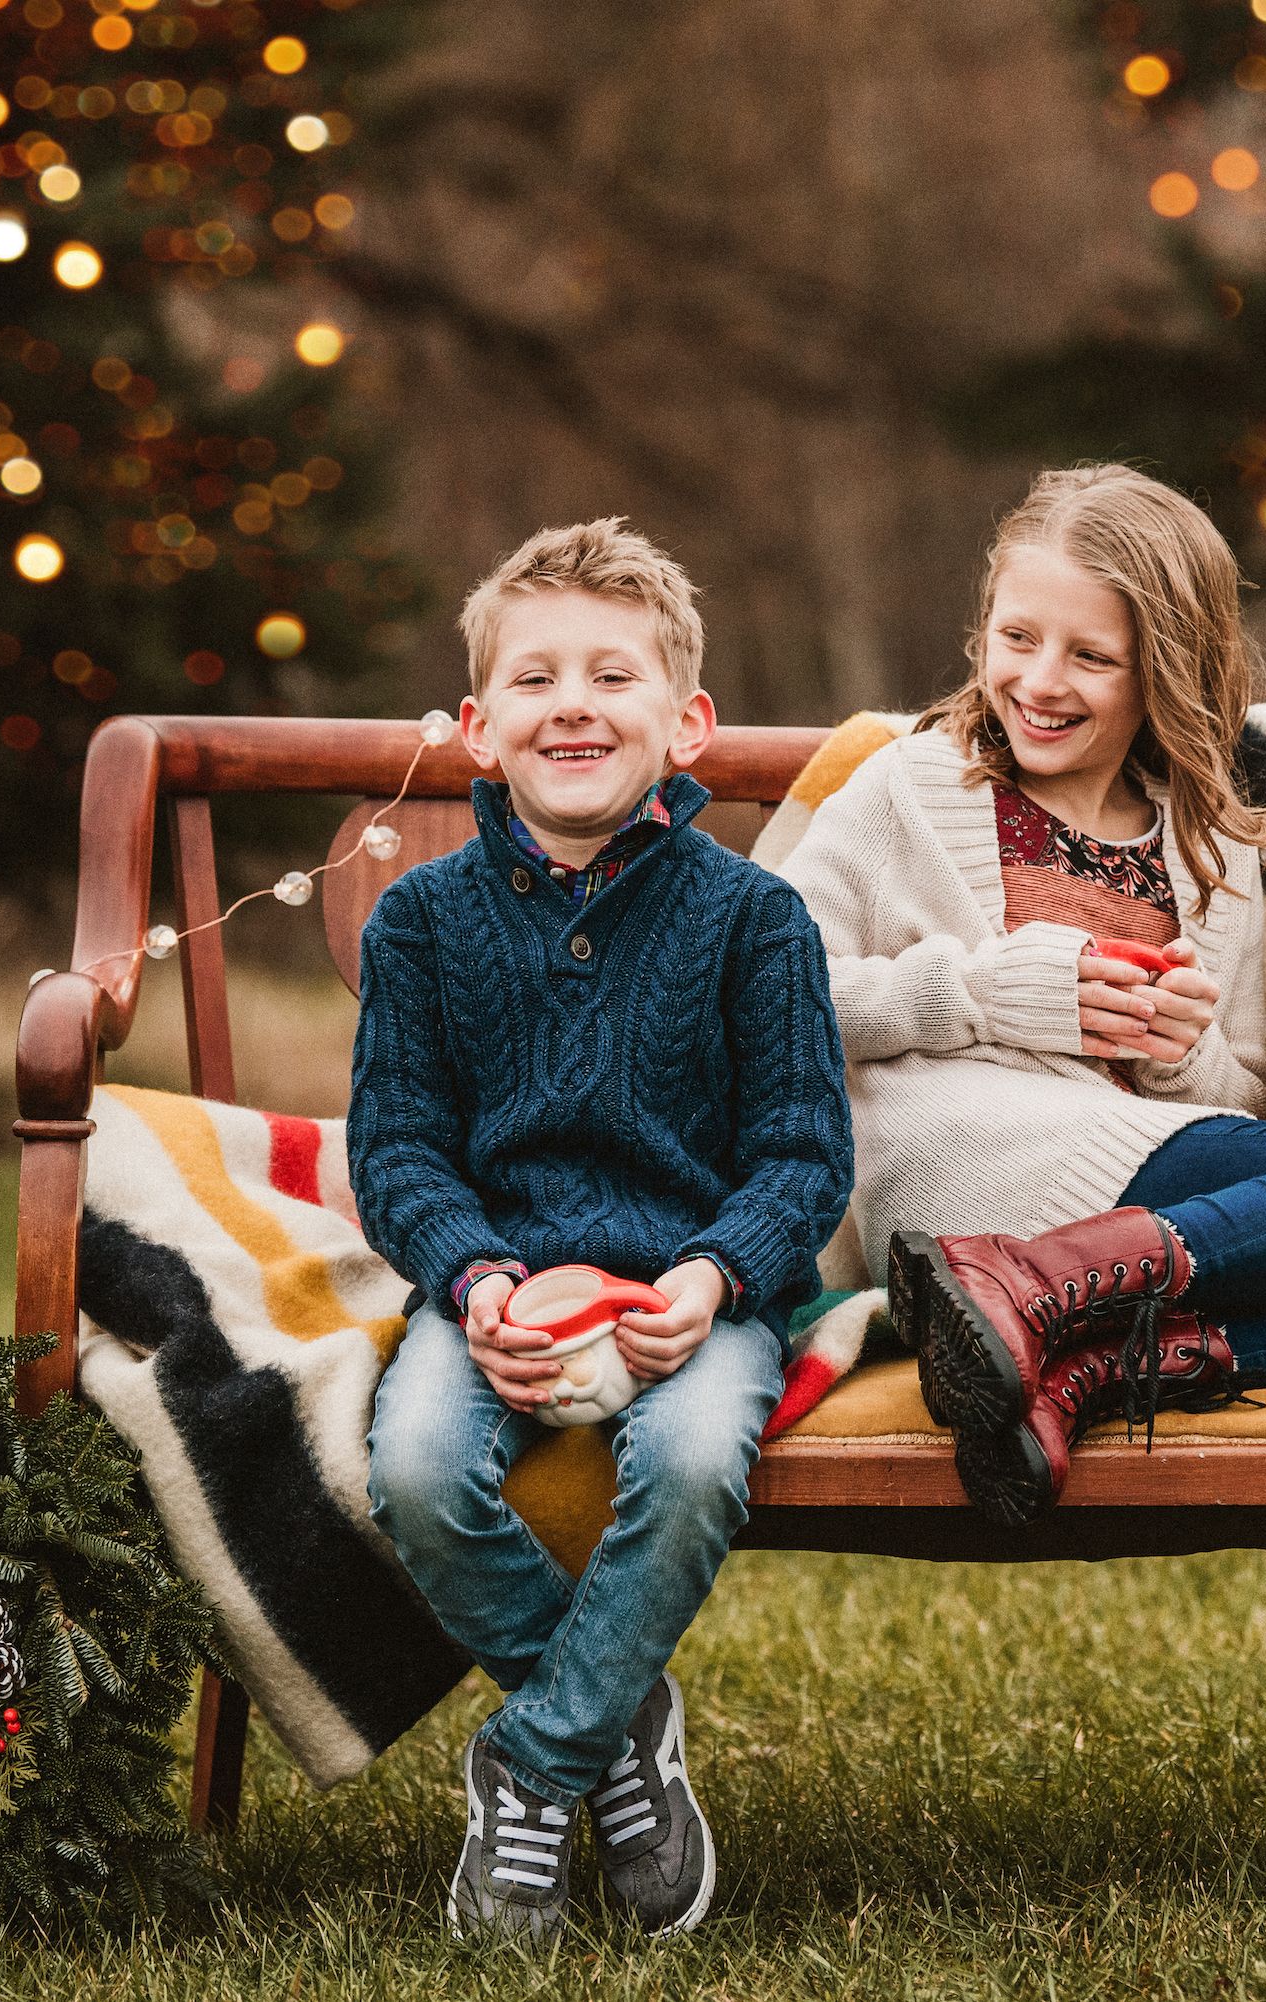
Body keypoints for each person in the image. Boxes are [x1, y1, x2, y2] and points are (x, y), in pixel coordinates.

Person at [774, 466, 1266, 1525]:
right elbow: (767, 997)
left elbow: (1235, 1102)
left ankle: (1081, 1370)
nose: (1040, 680)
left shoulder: (1202, 845)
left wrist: (1178, 1052)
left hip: (1130, 1183)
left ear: (1162, 671)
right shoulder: (910, 788)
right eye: (1016, 638)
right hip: (967, 1163)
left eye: (1090, 657)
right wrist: (990, 991)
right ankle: (1015, 1283)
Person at [351, 519, 852, 1940]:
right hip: (494, 1294)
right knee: (418, 1463)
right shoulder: (421, 927)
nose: (573, 701)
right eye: (534, 677)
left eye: (613, 674)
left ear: (686, 722)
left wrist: (712, 1273)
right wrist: (475, 1273)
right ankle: (623, 1728)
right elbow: (396, 1149)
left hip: (696, 1296)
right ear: (478, 730)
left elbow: (805, 1152)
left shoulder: (757, 922)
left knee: (695, 1458)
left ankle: (534, 1758)